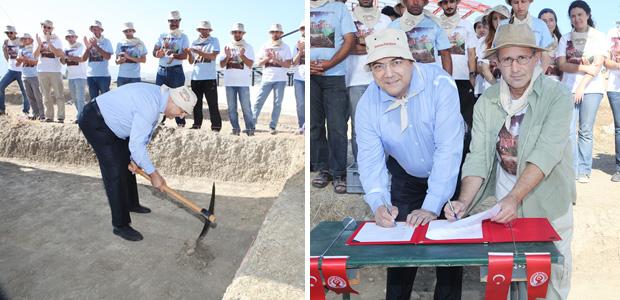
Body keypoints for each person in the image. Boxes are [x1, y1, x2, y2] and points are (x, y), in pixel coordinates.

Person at [447, 23, 574, 300]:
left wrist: (515, 198)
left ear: (535, 58)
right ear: (496, 63)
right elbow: (478, 156)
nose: (515, 68)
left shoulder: (558, 97)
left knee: (546, 286)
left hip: (548, 206)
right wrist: (464, 202)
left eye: (522, 58)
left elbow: (546, 154)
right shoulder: (487, 102)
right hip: (505, 209)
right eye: (507, 59)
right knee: (505, 284)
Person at [356, 28, 464, 300]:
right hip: (406, 173)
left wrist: (432, 205)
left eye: (396, 62)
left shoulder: (441, 84)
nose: (388, 73)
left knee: (448, 253)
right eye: (378, 65)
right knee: (399, 247)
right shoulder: (368, 103)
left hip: (449, 172)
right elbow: (370, 159)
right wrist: (378, 202)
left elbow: (448, 150)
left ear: (411, 61)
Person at [78, 83, 197, 241]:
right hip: (96, 122)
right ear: (174, 101)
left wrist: (135, 160)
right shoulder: (150, 105)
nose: (181, 116)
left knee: (129, 164)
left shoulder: (160, 100)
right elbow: (136, 145)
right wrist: (154, 174)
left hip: (115, 126)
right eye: (182, 111)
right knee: (114, 172)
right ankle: (120, 225)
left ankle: (131, 203)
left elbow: (144, 135)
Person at [557, 0, 607, 183]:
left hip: (592, 89)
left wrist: (581, 85)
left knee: (585, 130)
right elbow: (562, 64)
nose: (576, 18)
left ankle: (584, 170)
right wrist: (584, 69)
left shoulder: (598, 37)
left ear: (588, 14)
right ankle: (572, 168)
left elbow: (598, 64)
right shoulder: (565, 38)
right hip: (569, 89)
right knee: (569, 131)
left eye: (580, 14)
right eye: (573, 15)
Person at [309, 0, 355, 193]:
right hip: (310, 77)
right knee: (315, 125)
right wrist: (306, 63)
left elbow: (350, 39)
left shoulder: (339, 8)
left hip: (334, 76)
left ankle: (339, 172)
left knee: (336, 126)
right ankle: (322, 169)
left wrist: (329, 64)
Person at [346, 0, 391, 168]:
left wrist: (362, 42)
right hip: (355, 79)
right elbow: (346, 47)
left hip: (383, 79)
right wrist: (376, 44)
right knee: (359, 126)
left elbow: (389, 47)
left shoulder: (385, 20)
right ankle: (362, 166)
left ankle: (384, 165)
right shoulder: (347, 17)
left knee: (384, 124)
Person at [438, 0, 478, 166]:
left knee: (466, 121)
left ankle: (464, 161)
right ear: (441, 5)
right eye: (445, 3)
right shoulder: (436, 24)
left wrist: (472, 75)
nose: (449, 6)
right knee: (443, 121)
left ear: (457, 3)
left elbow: (471, 52)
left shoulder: (466, 25)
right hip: (440, 79)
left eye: (452, 2)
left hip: (462, 79)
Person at [389, 0, 453, 75]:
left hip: (431, 78)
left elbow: (445, 54)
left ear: (425, 2)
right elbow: (388, 56)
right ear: (405, 2)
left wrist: (447, 81)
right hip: (404, 79)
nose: (415, 2)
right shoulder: (394, 26)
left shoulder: (435, 24)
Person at [252, 23, 292, 135]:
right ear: (270, 34)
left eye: (277, 32)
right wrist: (268, 58)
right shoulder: (265, 46)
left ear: (281, 34)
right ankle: (252, 123)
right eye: (273, 32)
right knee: (259, 101)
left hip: (280, 79)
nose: (275, 34)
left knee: (277, 103)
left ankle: (272, 126)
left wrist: (276, 59)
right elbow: (259, 63)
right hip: (267, 78)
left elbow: (288, 64)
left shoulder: (286, 47)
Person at [153, 10, 190, 127]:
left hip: (176, 70)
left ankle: (180, 123)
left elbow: (185, 55)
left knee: (179, 97)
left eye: (176, 21)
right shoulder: (162, 36)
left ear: (179, 22)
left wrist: (174, 55)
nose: (174, 23)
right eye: (171, 21)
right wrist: (158, 53)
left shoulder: (184, 37)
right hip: (161, 70)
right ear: (168, 21)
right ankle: (159, 122)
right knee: (160, 97)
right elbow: (154, 52)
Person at [219, 22, 255, 136]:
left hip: (243, 83)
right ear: (232, 33)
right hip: (229, 83)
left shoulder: (248, 47)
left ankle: (250, 129)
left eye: (239, 32)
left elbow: (250, 64)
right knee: (231, 108)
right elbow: (221, 64)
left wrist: (242, 56)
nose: (237, 34)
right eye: (235, 32)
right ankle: (235, 128)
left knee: (246, 107)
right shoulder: (227, 46)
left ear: (243, 33)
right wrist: (228, 56)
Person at [186, 21, 221, 131]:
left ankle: (216, 126)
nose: (204, 31)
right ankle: (197, 124)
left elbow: (213, 57)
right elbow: (191, 61)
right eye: (202, 29)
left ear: (209, 30)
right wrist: (188, 53)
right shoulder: (194, 42)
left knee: (212, 103)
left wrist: (198, 52)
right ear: (199, 30)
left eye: (206, 29)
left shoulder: (214, 40)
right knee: (196, 103)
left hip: (209, 77)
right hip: (196, 77)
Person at [501, 0, 554, 71]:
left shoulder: (540, 25)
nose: (520, 6)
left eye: (523, 1)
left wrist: (537, 77)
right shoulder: (502, 25)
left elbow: (545, 56)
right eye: (516, 2)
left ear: (530, 1)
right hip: (509, 73)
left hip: (533, 73)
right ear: (511, 3)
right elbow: (497, 54)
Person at [34, 20, 65, 123]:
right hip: (42, 70)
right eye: (45, 27)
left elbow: (59, 53)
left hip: (55, 71)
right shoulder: (38, 39)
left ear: (52, 29)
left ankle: (60, 117)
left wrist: (49, 42)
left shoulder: (57, 39)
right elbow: (35, 55)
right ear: (42, 27)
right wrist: (39, 45)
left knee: (59, 95)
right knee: (46, 95)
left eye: (49, 28)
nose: (46, 29)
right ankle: (49, 117)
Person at [478, 5, 510, 91]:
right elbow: (485, 70)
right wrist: (498, 89)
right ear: (491, 22)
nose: (498, 21)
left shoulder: (516, 39)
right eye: (495, 18)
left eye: (502, 18)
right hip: (492, 90)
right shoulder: (484, 42)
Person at [1, 25, 29, 116]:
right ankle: (1, 110)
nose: (9, 34)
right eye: (7, 33)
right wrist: (4, 49)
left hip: (21, 71)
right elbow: (7, 58)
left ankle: (26, 111)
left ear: (15, 33)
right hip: (11, 70)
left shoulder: (21, 40)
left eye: (11, 32)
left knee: (25, 91)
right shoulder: (6, 41)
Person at [81, 20, 113, 99]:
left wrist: (96, 46)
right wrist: (88, 49)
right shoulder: (89, 41)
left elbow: (108, 57)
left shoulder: (106, 41)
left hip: (103, 75)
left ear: (101, 30)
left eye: (97, 29)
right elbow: (84, 59)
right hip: (91, 75)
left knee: (106, 99)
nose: (95, 31)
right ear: (91, 30)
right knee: (93, 100)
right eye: (94, 29)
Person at [15, 33, 44, 120]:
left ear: (31, 40)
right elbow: (17, 64)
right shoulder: (21, 50)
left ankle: (42, 114)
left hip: (34, 75)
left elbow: (37, 62)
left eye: (26, 39)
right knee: (30, 96)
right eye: (23, 39)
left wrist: (27, 60)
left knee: (37, 96)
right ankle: (35, 113)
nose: (24, 40)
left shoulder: (35, 49)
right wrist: (20, 60)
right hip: (24, 76)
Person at [61, 30, 87, 123]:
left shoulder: (81, 46)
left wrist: (68, 57)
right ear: (66, 38)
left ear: (76, 37)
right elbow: (63, 62)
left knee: (80, 98)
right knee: (75, 98)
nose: (71, 38)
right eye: (68, 37)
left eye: (72, 36)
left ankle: (81, 117)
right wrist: (62, 57)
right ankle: (81, 115)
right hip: (71, 76)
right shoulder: (65, 48)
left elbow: (81, 59)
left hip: (80, 76)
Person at [605, 21, 620, 182]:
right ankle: (619, 168)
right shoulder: (612, 32)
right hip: (615, 88)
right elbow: (606, 61)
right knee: (619, 129)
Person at [115, 22, 147, 86]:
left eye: (130, 30)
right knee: (121, 96)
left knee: (135, 96)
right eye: (126, 31)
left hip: (135, 76)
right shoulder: (120, 43)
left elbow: (143, 60)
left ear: (133, 31)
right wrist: (120, 60)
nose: (128, 32)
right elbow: (116, 61)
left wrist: (128, 57)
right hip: (122, 76)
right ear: (123, 32)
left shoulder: (140, 43)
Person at [538, 8, 563, 81]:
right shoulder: (534, 42)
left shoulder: (562, 42)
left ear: (555, 22)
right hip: (540, 81)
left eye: (551, 20)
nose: (548, 24)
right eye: (544, 21)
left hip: (558, 83)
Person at [292, 21, 306, 135]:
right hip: (299, 78)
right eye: (302, 28)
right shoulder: (296, 44)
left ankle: (307, 126)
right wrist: (300, 51)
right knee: (300, 104)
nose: (304, 30)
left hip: (312, 76)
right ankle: (301, 125)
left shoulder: (315, 40)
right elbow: (293, 62)